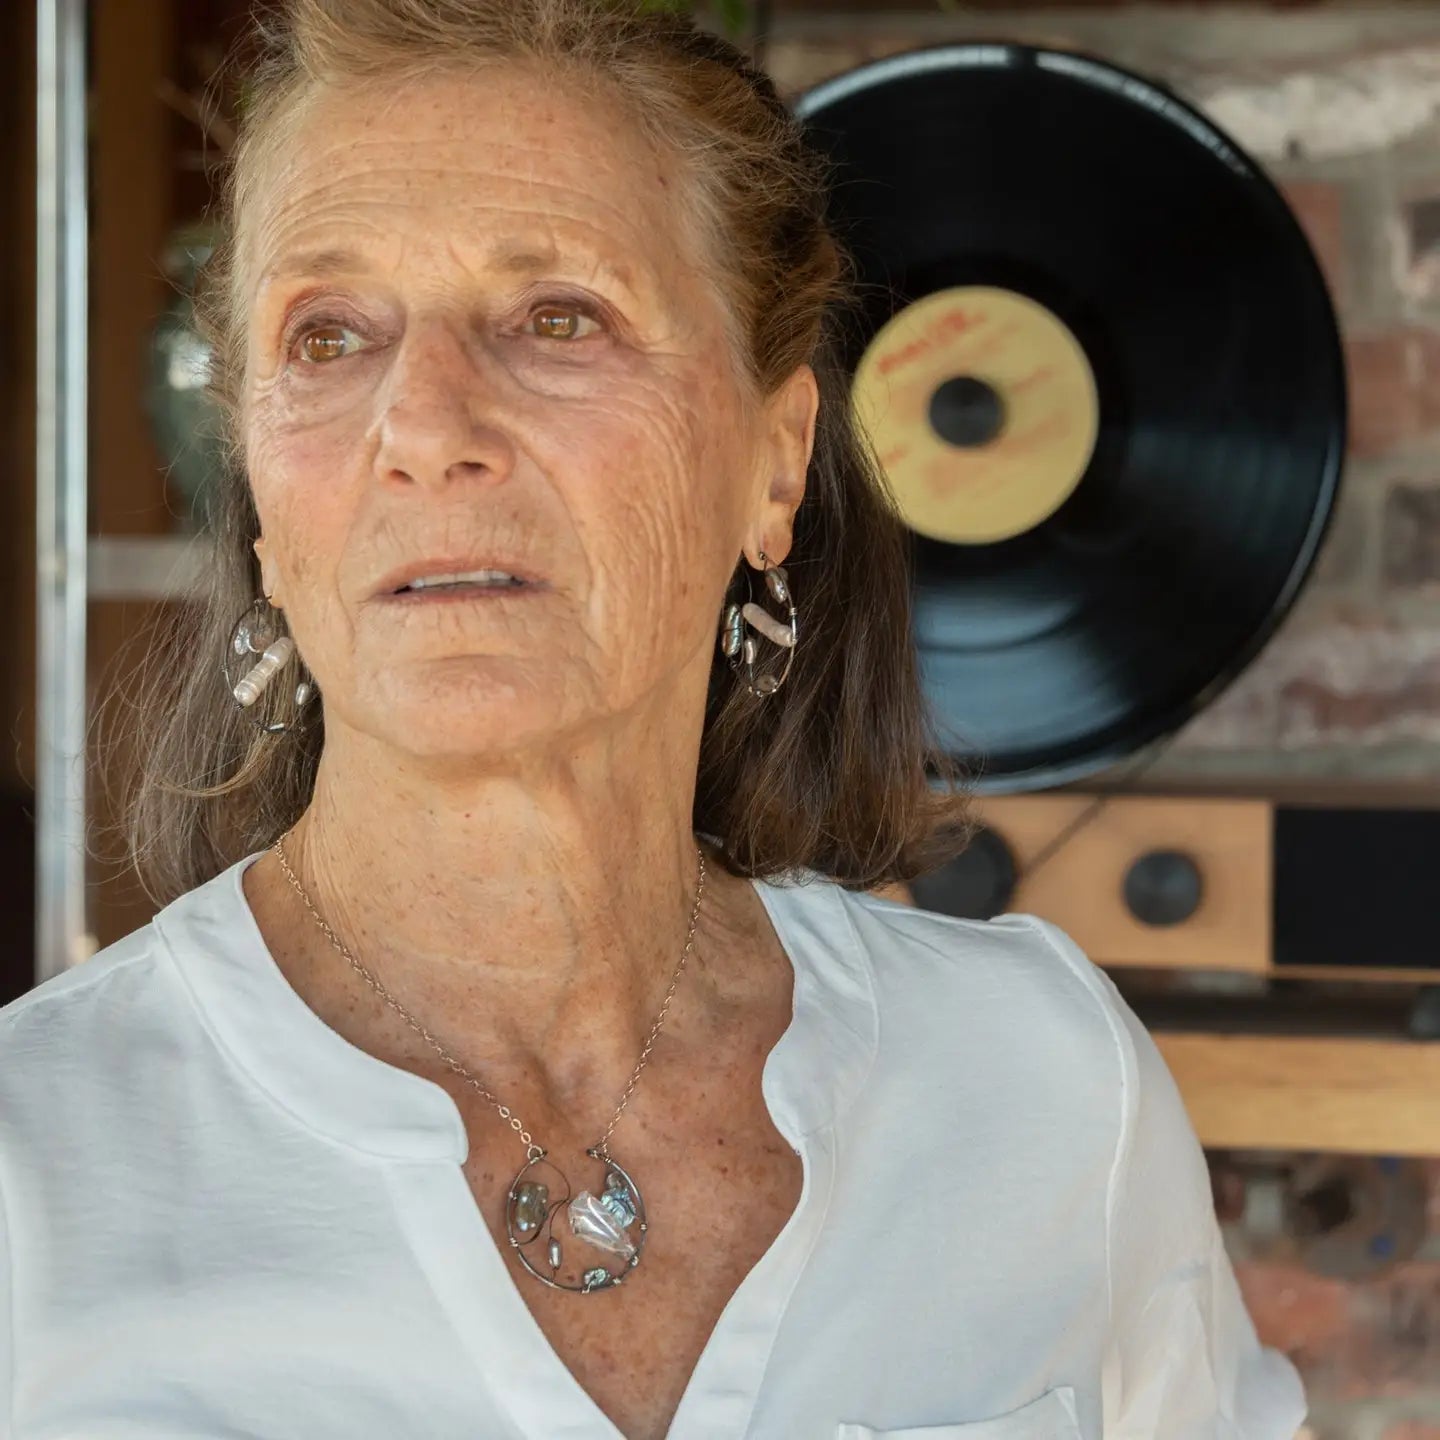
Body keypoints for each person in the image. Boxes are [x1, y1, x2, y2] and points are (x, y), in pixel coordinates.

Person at [0, 2, 1308, 1436]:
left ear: (775, 459)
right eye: (327, 335)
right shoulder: (33, 1172)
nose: (424, 425)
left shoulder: (1043, 1086)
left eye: (559, 316)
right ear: (260, 503)